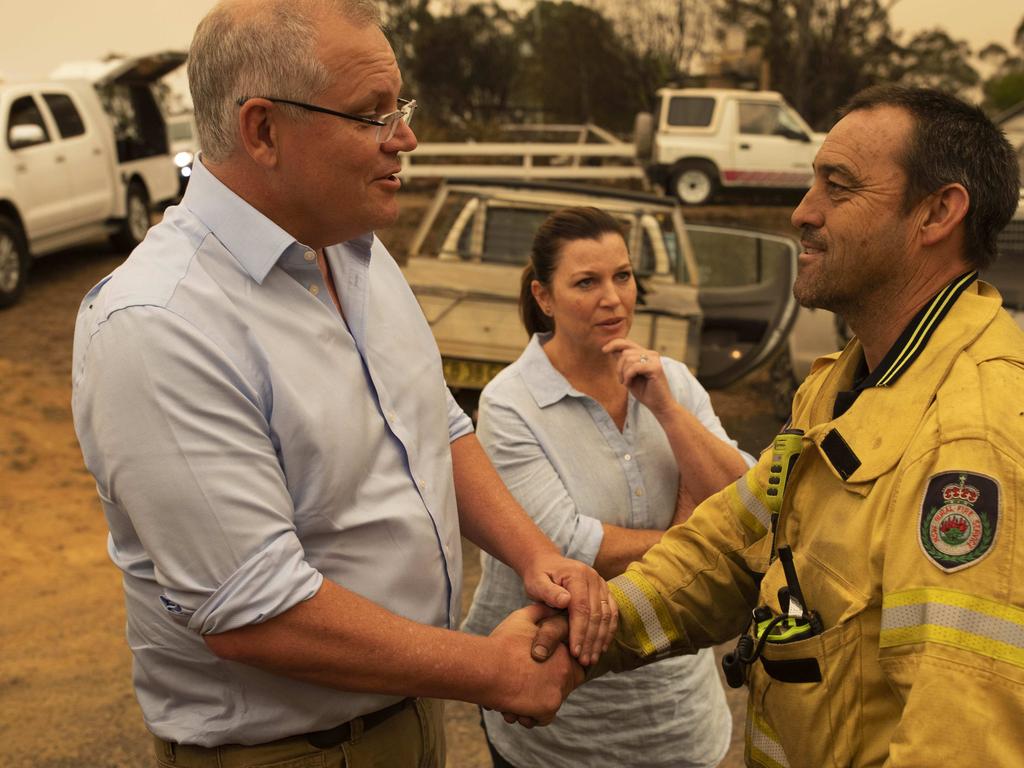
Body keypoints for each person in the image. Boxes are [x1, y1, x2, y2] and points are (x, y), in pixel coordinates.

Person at [70, 1, 612, 765]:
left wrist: (535, 556)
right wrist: (489, 671)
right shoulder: (158, 324)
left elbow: (435, 426)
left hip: (406, 710)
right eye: (373, 115)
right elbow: (255, 612)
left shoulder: (350, 246)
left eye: (400, 108)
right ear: (262, 130)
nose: (406, 138)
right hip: (294, 750)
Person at [533, 85, 1024, 766]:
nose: (803, 212)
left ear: (937, 212)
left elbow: (959, 740)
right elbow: (734, 544)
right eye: (810, 183)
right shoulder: (844, 381)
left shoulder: (975, 436)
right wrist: (594, 627)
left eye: (838, 187)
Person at [462, 207, 752, 768]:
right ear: (544, 297)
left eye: (622, 276)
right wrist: (691, 537)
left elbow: (747, 508)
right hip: (562, 722)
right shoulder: (510, 405)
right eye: (586, 282)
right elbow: (567, 554)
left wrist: (665, 409)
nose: (613, 298)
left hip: (678, 713)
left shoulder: (675, 381)